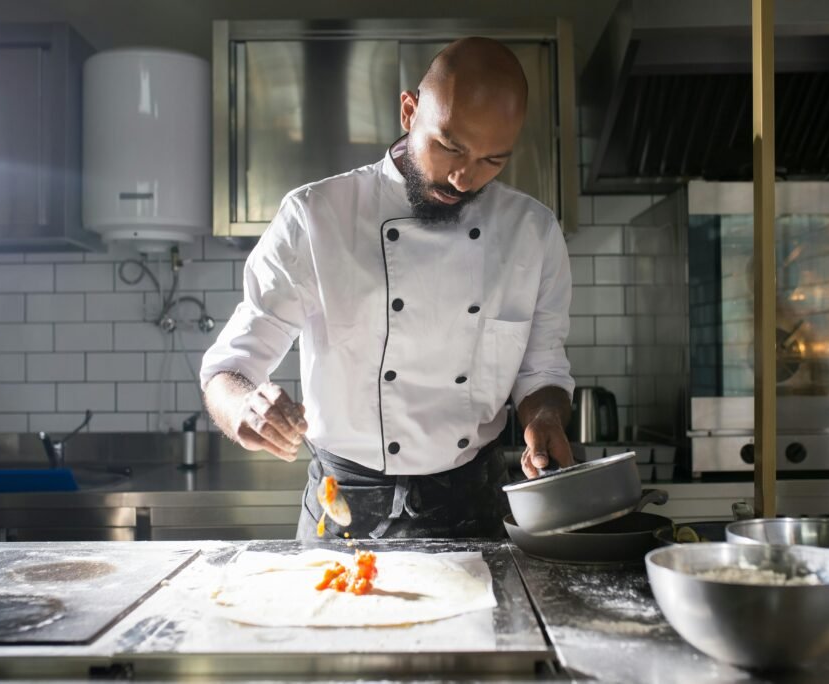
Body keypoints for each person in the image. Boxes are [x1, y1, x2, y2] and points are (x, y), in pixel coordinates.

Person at [200, 37, 574, 540]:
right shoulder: (315, 217)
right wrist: (244, 407)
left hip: (473, 505)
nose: (464, 178)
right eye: (449, 146)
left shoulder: (533, 232)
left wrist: (545, 417)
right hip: (343, 506)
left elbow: (543, 369)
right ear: (408, 110)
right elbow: (228, 369)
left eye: (493, 161)